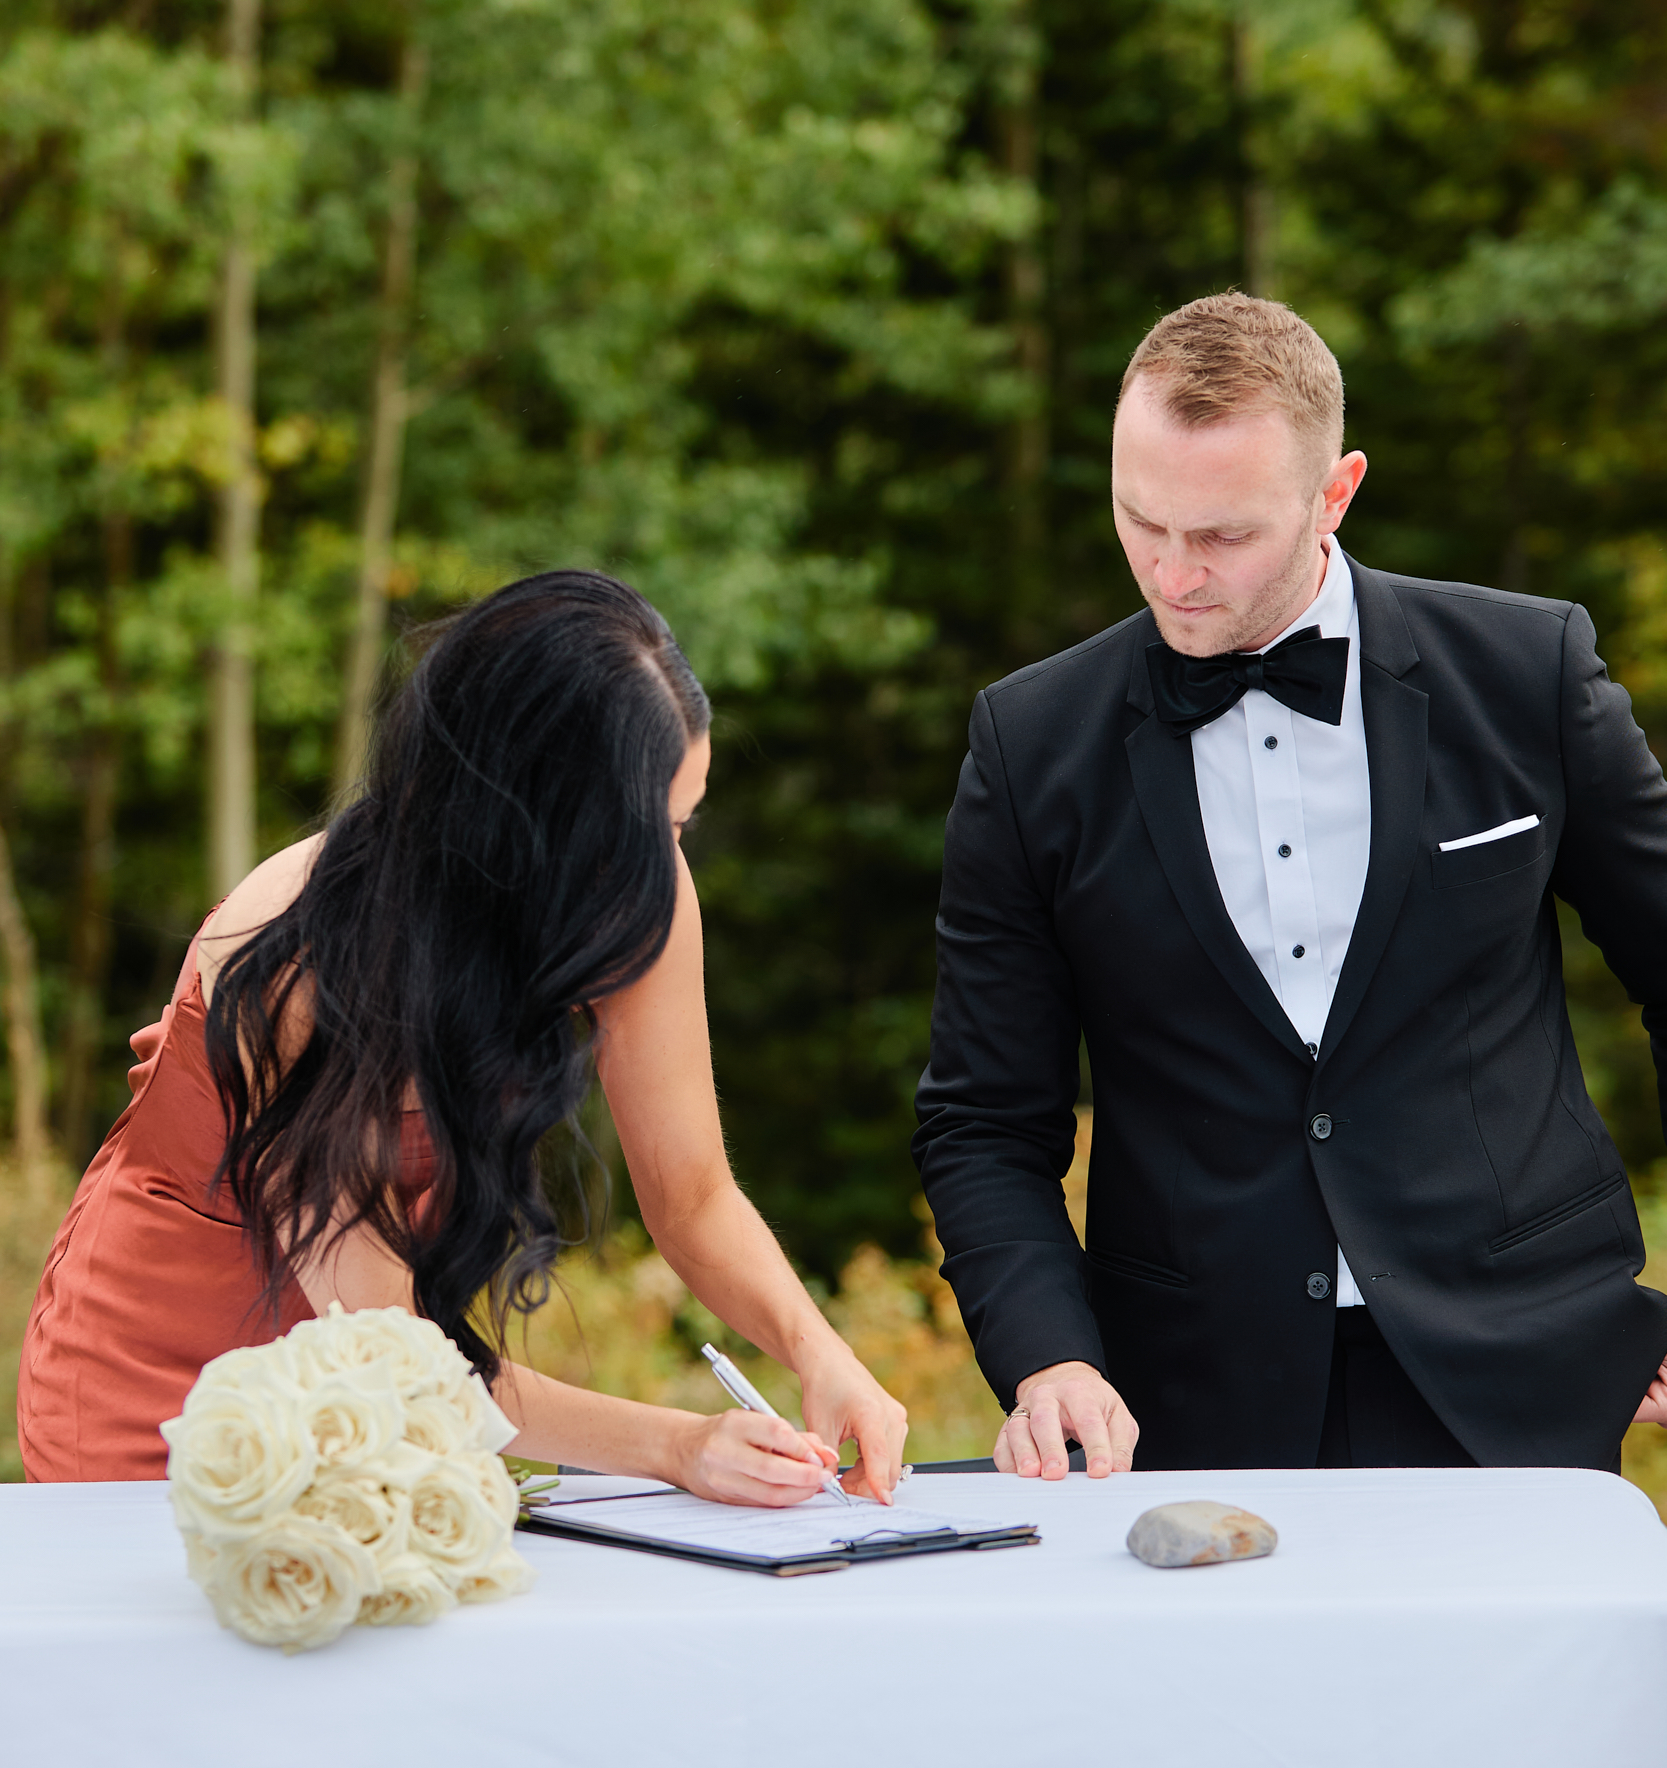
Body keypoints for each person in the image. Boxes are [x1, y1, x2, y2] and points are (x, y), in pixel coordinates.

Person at [914, 291, 1667, 1477]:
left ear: (1334, 492)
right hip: (1182, 1396)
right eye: (1138, 520)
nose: (1172, 574)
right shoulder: (1027, 744)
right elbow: (981, 1120)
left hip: (1521, 1368)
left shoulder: (1527, 673)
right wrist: (1046, 1357)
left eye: (1220, 536)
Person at [20, 570, 907, 1502]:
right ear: (525, 823)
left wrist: (819, 1353)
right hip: (171, 1390)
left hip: (412, 1380)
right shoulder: (299, 964)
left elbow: (691, 1199)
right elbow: (394, 1357)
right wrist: (676, 1445)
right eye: (644, 834)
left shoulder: (638, 890)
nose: (668, 871)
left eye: (681, 826)